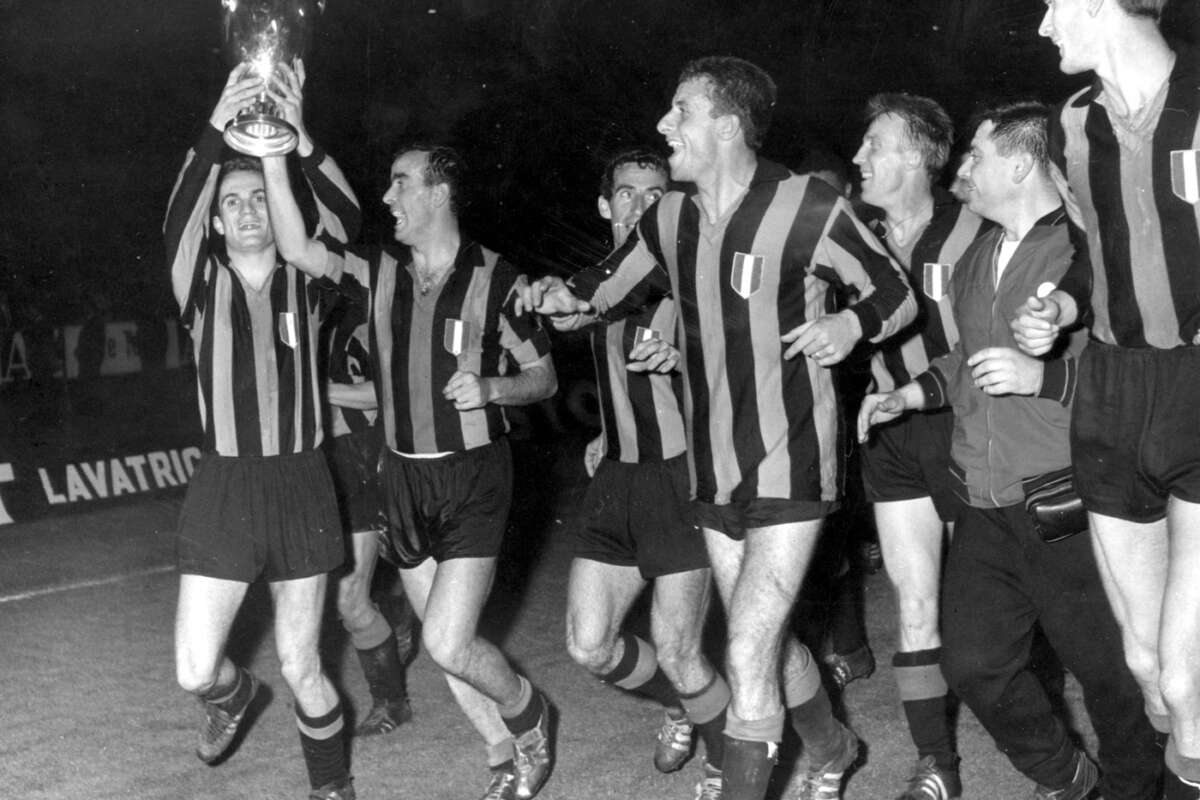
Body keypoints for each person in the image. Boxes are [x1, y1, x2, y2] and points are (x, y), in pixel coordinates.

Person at [522, 55, 916, 800]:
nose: (665, 124)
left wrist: (849, 323)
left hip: (790, 463)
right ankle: (833, 748)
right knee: (760, 639)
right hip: (710, 473)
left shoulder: (804, 206)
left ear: (729, 126)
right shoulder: (670, 217)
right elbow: (602, 287)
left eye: (682, 111)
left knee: (746, 650)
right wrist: (555, 295)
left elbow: (896, 293)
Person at [861, 102, 1162, 800]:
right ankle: (1069, 777)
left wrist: (1042, 377)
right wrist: (910, 394)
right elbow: (966, 361)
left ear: (1022, 164)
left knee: (1109, 674)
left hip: (1067, 498)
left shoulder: (1084, 254)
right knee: (973, 664)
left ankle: (1133, 790)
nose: (962, 168)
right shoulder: (975, 259)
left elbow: (1130, 373)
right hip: (983, 500)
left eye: (976, 155)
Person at [264, 141, 558, 800]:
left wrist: (493, 388)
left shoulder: (498, 278)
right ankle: (501, 750)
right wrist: (277, 155)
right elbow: (298, 248)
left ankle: (530, 714)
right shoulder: (379, 272)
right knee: (443, 638)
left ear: (439, 193)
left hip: (473, 477)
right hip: (400, 478)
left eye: (401, 184)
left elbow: (543, 377)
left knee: (449, 643)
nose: (388, 198)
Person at [1011, 3, 1200, 796]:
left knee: (1188, 679)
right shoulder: (1073, 121)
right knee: (1146, 666)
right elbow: (1091, 249)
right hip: (1113, 391)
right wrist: (1063, 303)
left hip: (1195, 383)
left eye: (1055, 4)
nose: (1045, 25)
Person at [164, 63, 358, 799]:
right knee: (194, 671)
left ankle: (331, 789)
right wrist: (219, 123)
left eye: (257, 200)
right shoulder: (198, 282)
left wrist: (294, 137)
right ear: (217, 223)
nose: (246, 211)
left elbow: (345, 218)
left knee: (304, 664)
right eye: (232, 202)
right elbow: (179, 212)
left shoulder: (310, 280)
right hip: (224, 486)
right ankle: (235, 694)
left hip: (302, 482)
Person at [549, 148, 730, 793]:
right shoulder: (600, 286)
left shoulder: (692, 279)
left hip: (682, 478)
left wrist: (683, 362)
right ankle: (686, 706)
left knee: (680, 648)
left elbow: (735, 377)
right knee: (589, 644)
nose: (643, 206)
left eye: (658, 195)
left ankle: (726, 760)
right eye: (628, 193)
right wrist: (607, 429)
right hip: (617, 479)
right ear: (606, 206)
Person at [850, 92, 989, 800]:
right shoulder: (853, 238)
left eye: (874, 145)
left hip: (971, 431)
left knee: (989, 612)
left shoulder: (975, 231)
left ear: (914, 157)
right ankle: (937, 762)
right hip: (892, 434)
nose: (859, 158)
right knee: (914, 603)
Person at [321, 274, 416, 737]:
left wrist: (314, 391)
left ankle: (391, 702)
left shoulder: (366, 316)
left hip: (359, 458)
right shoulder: (293, 315)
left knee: (349, 597)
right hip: (309, 465)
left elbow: (391, 391)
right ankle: (393, 612)